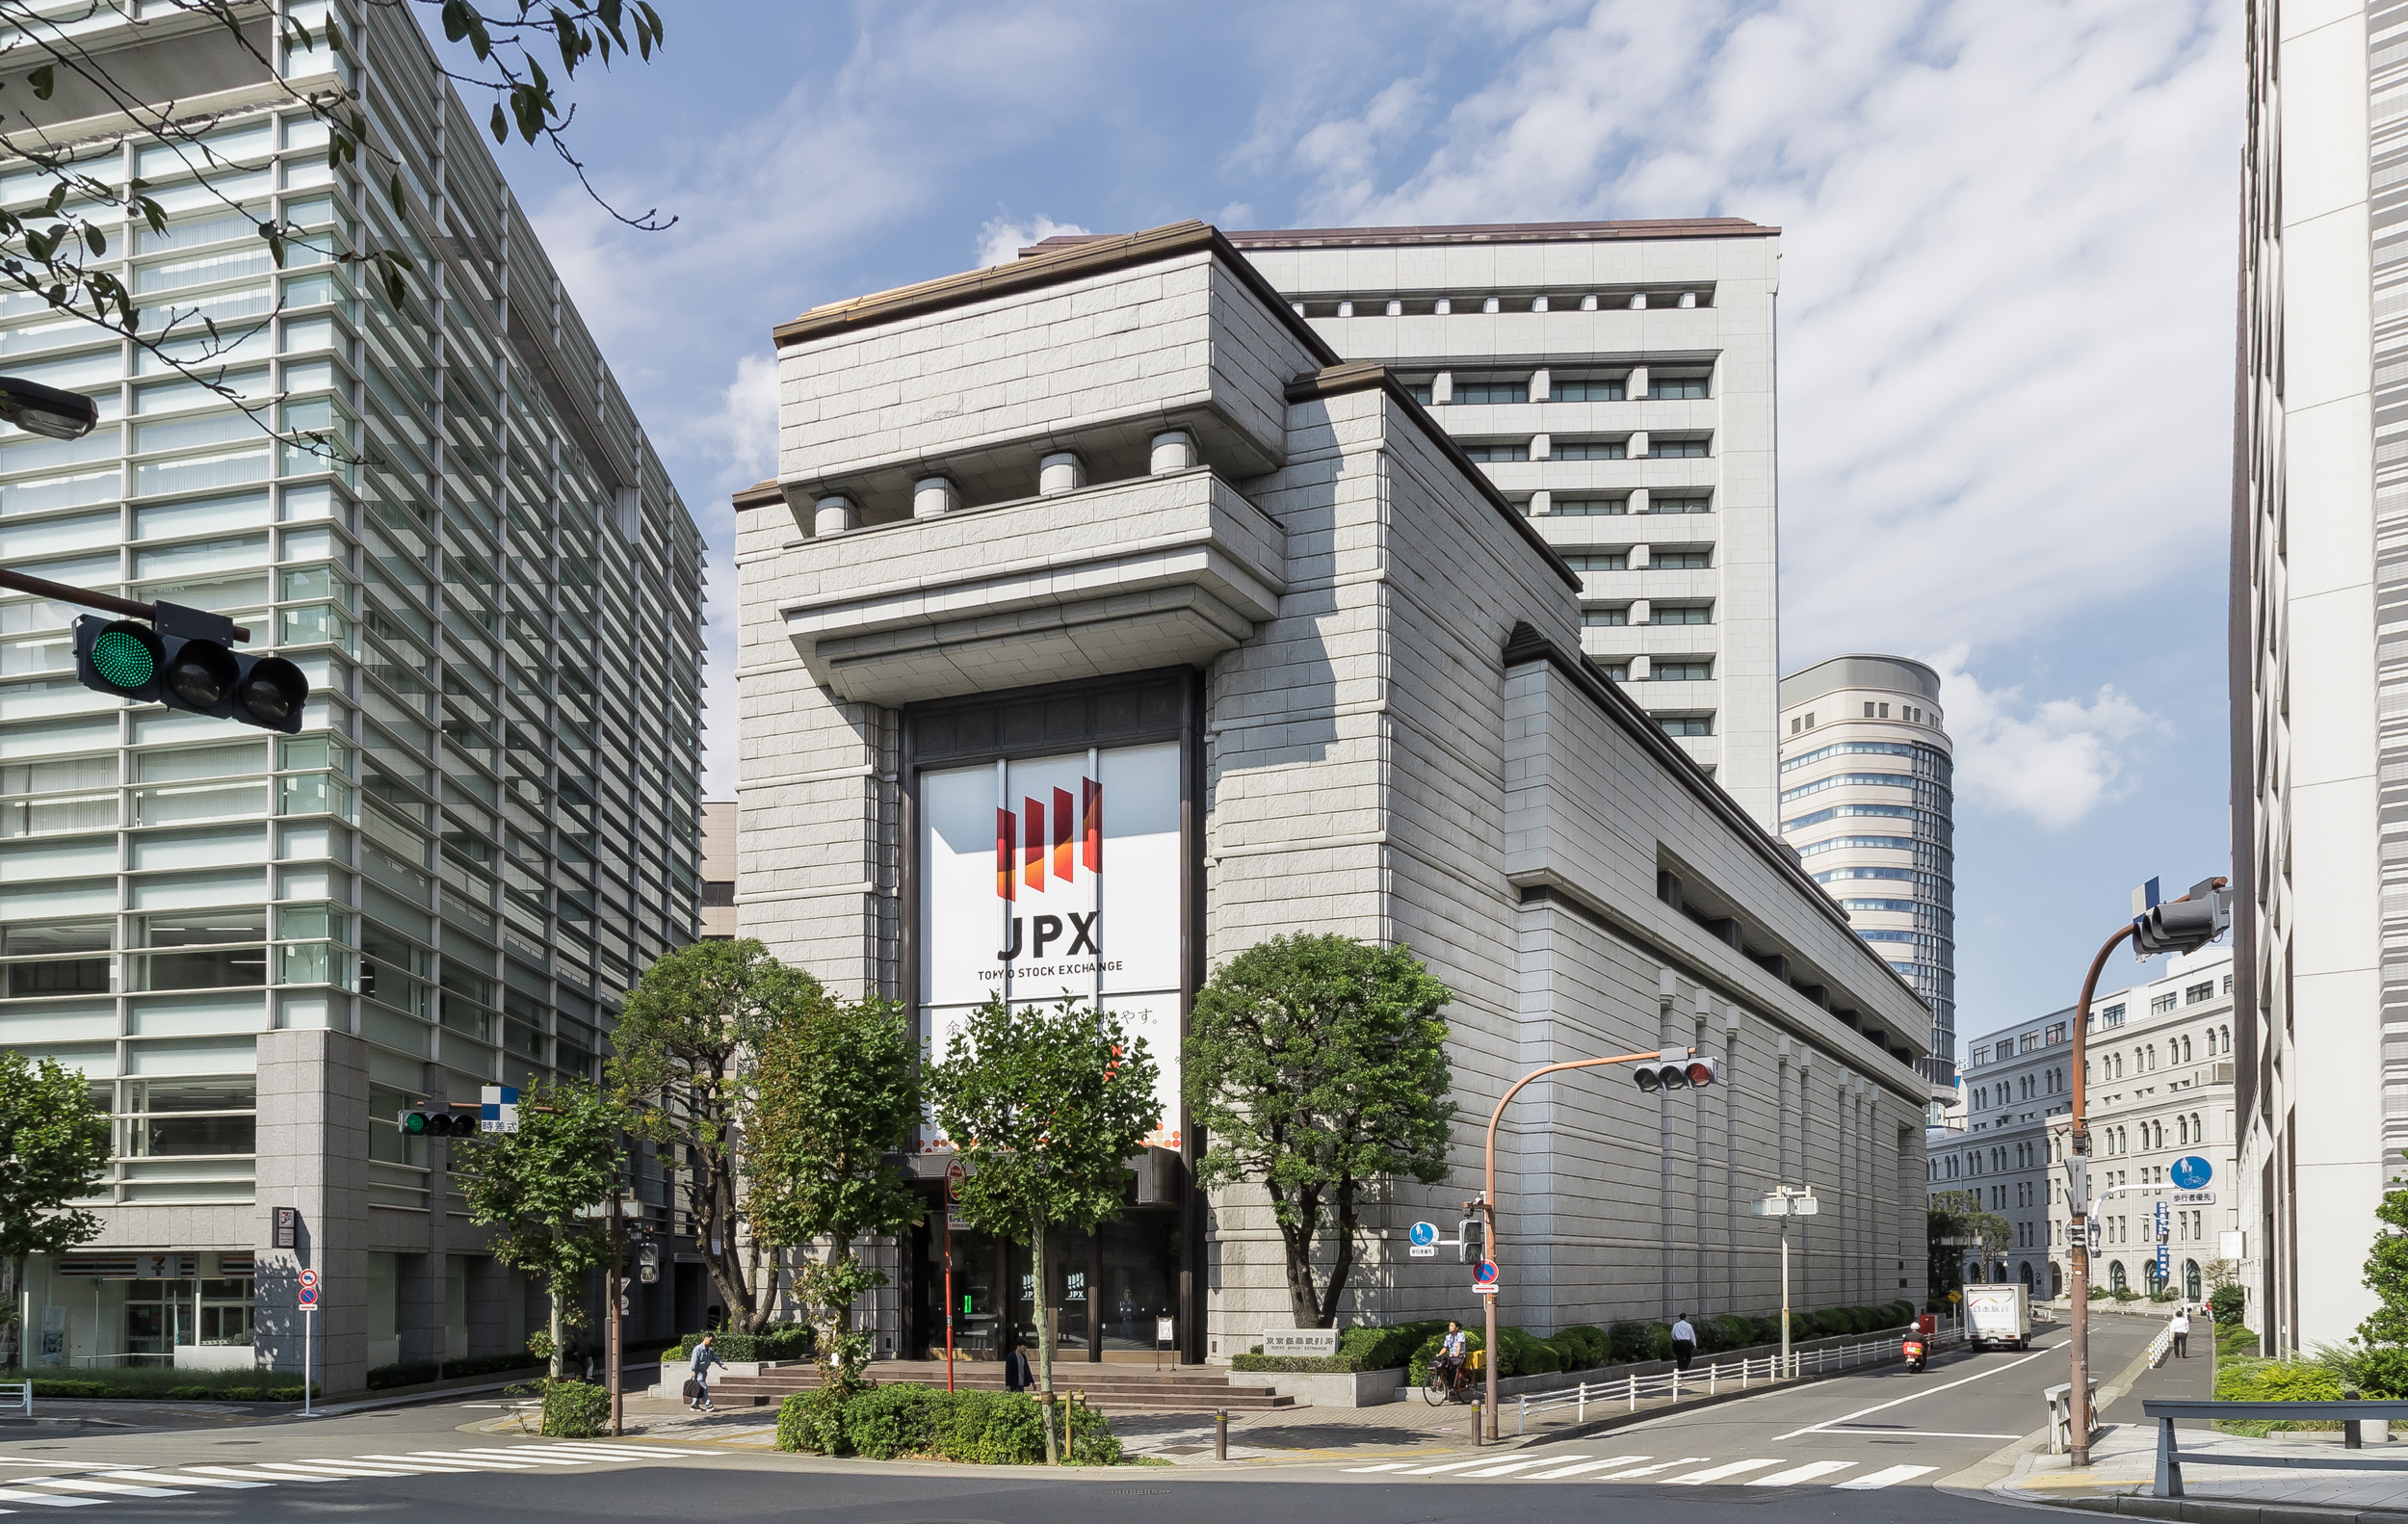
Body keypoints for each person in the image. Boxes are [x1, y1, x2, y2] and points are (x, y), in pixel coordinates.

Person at [688, 1332, 724, 1411]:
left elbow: (715, 1358)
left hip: (703, 1371)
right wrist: (693, 1371)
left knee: (698, 1388)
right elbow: (694, 1361)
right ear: (705, 1338)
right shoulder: (698, 1349)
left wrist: (722, 1365)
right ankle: (708, 1405)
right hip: (698, 1372)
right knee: (703, 1387)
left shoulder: (709, 1351)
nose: (711, 1343)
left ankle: (694, 1405)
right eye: (710, 1341)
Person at [1436, 1320, 1468, 1393]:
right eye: (1449, 1325)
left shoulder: (1461, 1334)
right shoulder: (1448, 1337)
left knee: (1454, 1368)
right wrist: (1438, 1355)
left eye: (1452, 1326)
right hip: (1451, 1356)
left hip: (1459, 1356)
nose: (1450, 1327)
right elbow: (1444, 1348)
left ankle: (1452, 1387)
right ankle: (1446, 1384)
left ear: (1457, 1328)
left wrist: (1457, 1353)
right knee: (1444, 1367)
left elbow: (1459, 1344)